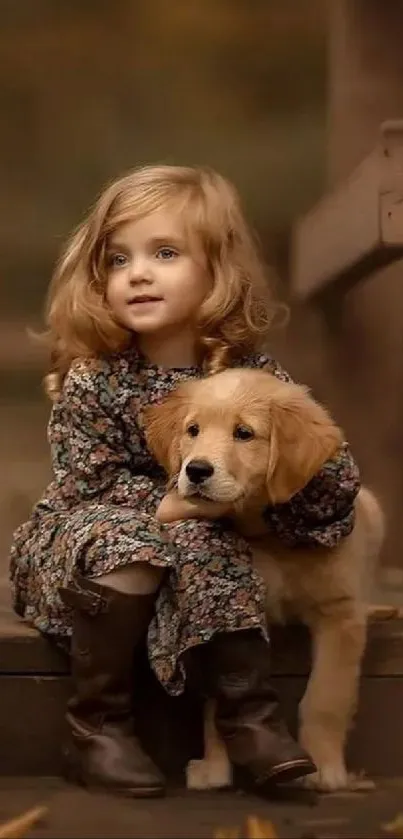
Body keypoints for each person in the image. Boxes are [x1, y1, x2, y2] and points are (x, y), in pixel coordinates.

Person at [9, 164, 360, 799]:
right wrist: (178, 505)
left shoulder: (254, 373)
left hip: (197, 549)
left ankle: (246, 715)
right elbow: (89, 487)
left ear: (217, 272)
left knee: (215, 543)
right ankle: (98, 726)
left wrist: (283, 489)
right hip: (83, 549)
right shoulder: (96, 378)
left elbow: (331, 491)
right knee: (140, 543)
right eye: (118, 260)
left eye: (164, 253)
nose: (137, 273)